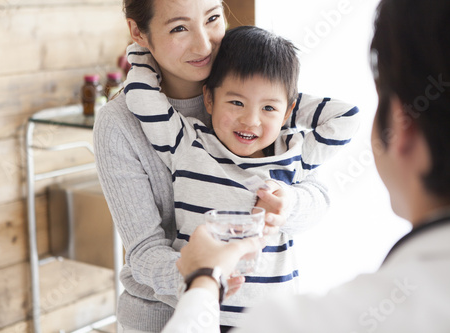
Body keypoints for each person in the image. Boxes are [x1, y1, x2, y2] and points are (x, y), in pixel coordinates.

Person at [163, 0, 450, 331]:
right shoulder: (190, 141)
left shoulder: (303, 321)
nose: (250, 120)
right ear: (209, 98)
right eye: (237, 101)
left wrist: (204, 279)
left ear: (402, 129)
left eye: (271, 108)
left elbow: (343, 120)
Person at [94, 0, 357, 331]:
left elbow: (314, 192)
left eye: (213, 18)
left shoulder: (253, 94)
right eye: (179, 28)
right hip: (164, 319)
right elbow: (144, 251)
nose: (204, 45)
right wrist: (205, 280)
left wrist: (287, 203)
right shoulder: (121, 124)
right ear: (138, 32)